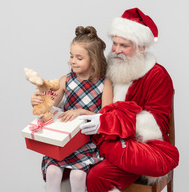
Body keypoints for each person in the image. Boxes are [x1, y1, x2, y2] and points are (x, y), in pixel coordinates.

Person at [78, 8, 180, 192]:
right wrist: (51, 100)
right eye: (114, 44)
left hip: (140, 146)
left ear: (141, 47)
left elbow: (157, 124)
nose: (116, 51)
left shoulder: (157, 75)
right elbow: (82, 92)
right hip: (107, 142)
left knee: (95, 175)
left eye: (123, 45)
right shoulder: (109, 69)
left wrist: (110, 123)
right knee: (71, 169)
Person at [31, 26, 113, 192]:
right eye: (71, 56)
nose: (72, 61)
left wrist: (81, 112)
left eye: (79, 58)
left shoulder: (105, 84)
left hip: (87, 143)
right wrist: (38, 102)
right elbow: (50, 104)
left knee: (78, 175)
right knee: (53, 171)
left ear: (93, 60)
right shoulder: (65, 80)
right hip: (64, 142)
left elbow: (107, 116)